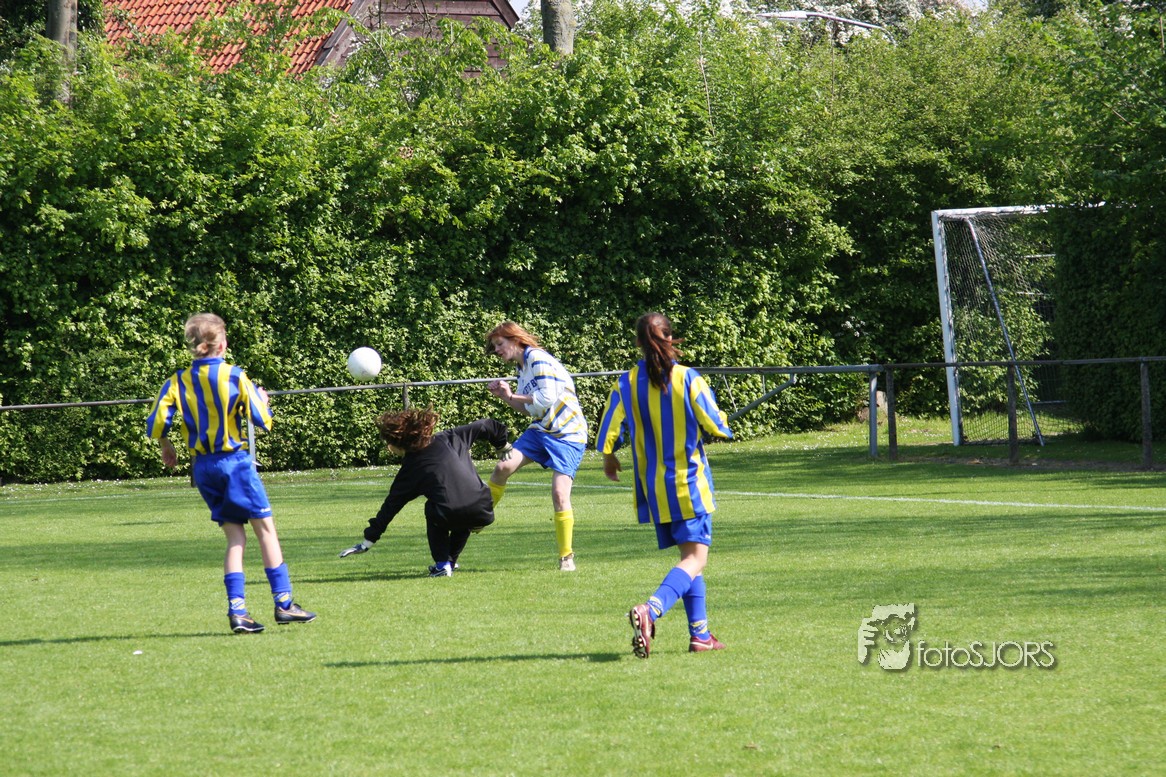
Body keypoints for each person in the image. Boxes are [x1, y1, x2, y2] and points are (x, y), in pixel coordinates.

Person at [145, 313, 316, 634]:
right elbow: (261, 419)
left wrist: (166, 445)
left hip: (203, 468)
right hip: (233, 463)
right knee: (266, 530)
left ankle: (238, 611)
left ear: (193, 345)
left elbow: (156, 420)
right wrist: (263, 400)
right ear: (222, 344)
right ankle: (284, 604)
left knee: (235, 537)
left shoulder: (178, 380)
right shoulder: (235, 376)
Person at [595, 312, 733, 657]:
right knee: (696, 559)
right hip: (689, 483)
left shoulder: (627, 382)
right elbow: (715, 424)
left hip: (654, 488)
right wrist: (723, 424)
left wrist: (609, 457)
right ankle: (650, 610)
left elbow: (609, 428)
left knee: (688, 559)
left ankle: (700, 635)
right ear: (670, 338)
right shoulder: (687, 377)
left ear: (638, 343)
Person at [338, 408, 512, 577]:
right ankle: (449, 564)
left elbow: (390, 508)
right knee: (457, 507)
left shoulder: (410, 469)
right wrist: (502, 444)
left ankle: (442, 565)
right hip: (483, 508)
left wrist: (367, 542)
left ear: (397, 444)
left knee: (435, 509)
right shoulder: (450, 437)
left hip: (458, 513)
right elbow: (486, 425)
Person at [484, 321, 588, 571]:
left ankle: (566, 557)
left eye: (499, 344)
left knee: (560, 494)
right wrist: (506, 397)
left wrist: (511, 395)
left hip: (568, 433)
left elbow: (546, 398)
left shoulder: (537, 358)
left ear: (515, 339)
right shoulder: (522, 368)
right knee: (503, 467)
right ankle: (478, 518)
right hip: (541, 429)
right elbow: (530, 408)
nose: (497, 350)